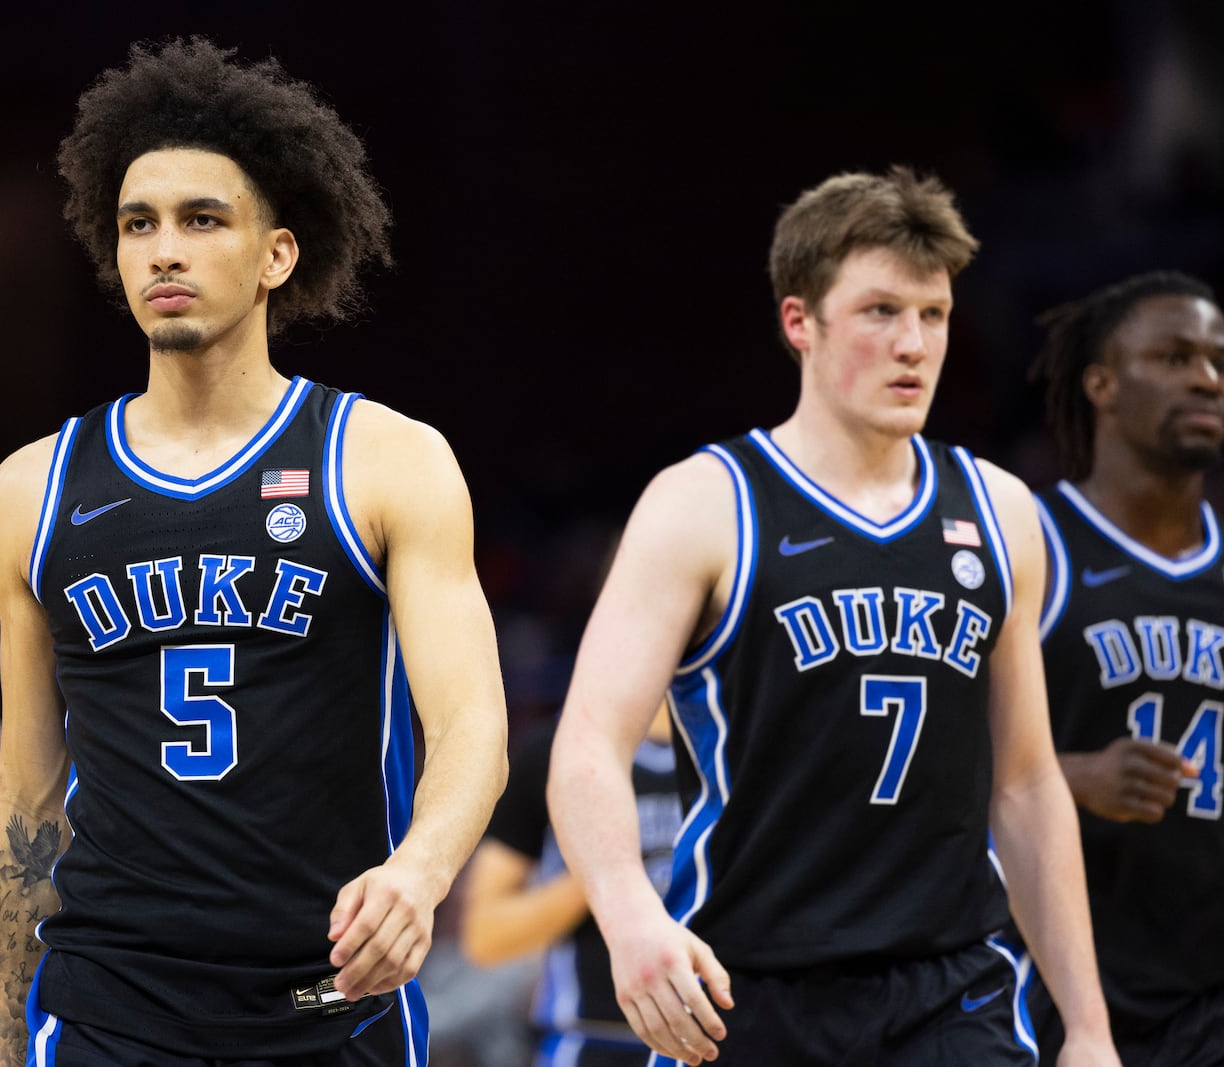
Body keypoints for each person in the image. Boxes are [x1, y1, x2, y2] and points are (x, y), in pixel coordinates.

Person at [0, 36, 508, 1066]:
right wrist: (7, 1035)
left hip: (328, 1004)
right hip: (105, 1011)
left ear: (276, 254)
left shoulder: (386, 460)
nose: (162, 250)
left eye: (200, 220)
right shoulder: (33, 487)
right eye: (138, 224)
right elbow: (27, 793)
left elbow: (473, 727)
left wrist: (421, 868)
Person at [545, 166, 1123, 1066]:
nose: (915, 344)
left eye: (933, 315)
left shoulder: (1003, 511)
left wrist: (1087, 1027)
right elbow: (587, 744)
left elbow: (1025, 781)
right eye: (881, 312)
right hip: (746, 984)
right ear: (799, 323)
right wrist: (628, 918)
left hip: (950, 986)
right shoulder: (706, 503)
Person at [1021, 270, 1224, 1066]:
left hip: (1207, 997)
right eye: (1174, 356)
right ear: (1100, 383)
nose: (1207, 376)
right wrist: (1071, 777)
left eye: (1216, 358)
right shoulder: (1029, 541)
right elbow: (920, 758)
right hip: (1050, 991)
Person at [460, 700, 680, 1066]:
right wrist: (605, 871)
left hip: (726, 1037)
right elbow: (485, 936)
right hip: (590, 1040)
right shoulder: (554, 750)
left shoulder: (751, 748)